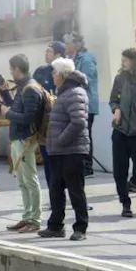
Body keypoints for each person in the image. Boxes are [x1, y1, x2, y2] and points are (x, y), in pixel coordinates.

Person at [40, 57, 90, 241]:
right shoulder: (64, 92)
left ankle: (80, 227)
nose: (52, 76)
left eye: (54, 73)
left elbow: (78, 122)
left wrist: (60, 140)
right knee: (56, 189)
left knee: (75, 189)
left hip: (72, 150)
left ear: (61, 75)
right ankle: (55, 226)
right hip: (59, 151)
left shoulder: (75, 92)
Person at [0, 54, 43, 233]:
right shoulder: (24, 87)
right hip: (19, 138)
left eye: (11, 69)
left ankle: (34, 219)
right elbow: (18, 108)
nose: (10, 72)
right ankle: (27, 217)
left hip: (25, 140)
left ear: (17, 69)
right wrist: (4, 92)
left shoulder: (30, 89)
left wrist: (7, 113)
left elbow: (28, 118)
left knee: (30, 180)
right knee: (23, 181)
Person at [63, 33, 99, 177]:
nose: (65, 47)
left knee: (85, 134)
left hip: (86, 102)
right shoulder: (70, 58)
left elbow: (87, 79)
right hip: (75, 101)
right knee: (78, 135)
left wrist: (69, 75)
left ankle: (87, 167)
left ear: (76, 45)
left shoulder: (87, 58)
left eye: (67, 44)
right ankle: (79, 165)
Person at [109, 48, 136, 218]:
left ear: (134, 61)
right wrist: (116, 109)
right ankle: (125, 203)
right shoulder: (120, 78)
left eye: (125, 60)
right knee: (119, 171)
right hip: (120, 131)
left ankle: (134, 183)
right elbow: (114, 99)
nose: (122, 63)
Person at [32, 41, 66, 186]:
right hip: (45, 124)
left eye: (49, 51)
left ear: (58, 55)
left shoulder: (68, 72)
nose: (46, 54)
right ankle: (54, 193)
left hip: (63, 123)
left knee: (64, 161)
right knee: (47, 159)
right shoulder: (40, 72)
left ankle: (72, 195)